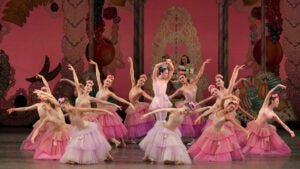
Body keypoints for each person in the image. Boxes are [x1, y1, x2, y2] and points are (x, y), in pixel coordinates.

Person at [139, 102, 210, 165]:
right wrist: (147, 114)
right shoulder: (175, 110)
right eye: (186, 110)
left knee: (174, 145)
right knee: (156, 144)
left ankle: (171, 159)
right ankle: (148, 156)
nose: (186, 112)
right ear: (183, 106)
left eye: (188, 111)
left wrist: (207, 107)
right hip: (164, 129)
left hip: (172, 132)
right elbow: (162, 110)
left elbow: (197, 111)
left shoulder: (185, 114)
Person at [189, 95, 249, 162]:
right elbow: (223, 99)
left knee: (220, 146)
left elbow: (237, 125)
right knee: (209, 144)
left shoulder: (228, 117)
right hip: (212, 130)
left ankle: (216, 157)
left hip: (221, 132)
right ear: (227, 105)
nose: (231, 109)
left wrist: (246, 132)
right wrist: (231, 96)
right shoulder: (220, 108)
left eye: (233, 109)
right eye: (231, 107)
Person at [90, 60, 134, 147]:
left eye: (109, 82)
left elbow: (119, 98)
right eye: (107, 81)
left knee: (115, 126)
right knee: (101, 128)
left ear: (110, 84)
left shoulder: (109, 93)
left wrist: (129, 103)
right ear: (104, 81)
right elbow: (98, 76)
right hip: (98, 111)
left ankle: (122, 142)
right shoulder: (100, 87)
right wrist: (95, 65)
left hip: (105, 111)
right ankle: (107, 142)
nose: (107, 83)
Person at [56, 97, 114, 164]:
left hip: (87, 129)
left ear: (68, 104)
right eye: (62, 108)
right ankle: (74, 159)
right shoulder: (69, 112)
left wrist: (107, 111)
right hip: (79, 130)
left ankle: (107, 155)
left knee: (96, 144)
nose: (64, 109)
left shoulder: (77, 109)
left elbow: (91, 109)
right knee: (75, 145)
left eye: (64, 107)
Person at [242, 84, 295, 155]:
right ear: (272, 101)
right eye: (277, 101)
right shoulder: (265, 106)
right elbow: (270, 92)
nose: (278, 103)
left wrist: (290, 131)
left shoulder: (273, 114)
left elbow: (282, 123)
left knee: (261, 148)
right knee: (249, 145)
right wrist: (278, 86)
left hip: (264, 130)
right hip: (255, 127)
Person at [7, 74, 52, 151]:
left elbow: (47, 86)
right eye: (42, 91)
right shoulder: (38, 105)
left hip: (49, 122)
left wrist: (42, 77)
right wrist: (14, 109)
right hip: (41, 122)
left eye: (45, 91)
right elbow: (25, 108)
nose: (43, 92)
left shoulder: (50, 102)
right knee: (38, 137)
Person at [168, 59, 211, 141]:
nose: (181, 79)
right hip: (187, 105)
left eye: (182, 77)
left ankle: (193, 139)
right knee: (187, 122)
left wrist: (204, 64)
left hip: (194, 105)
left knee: (195, 122)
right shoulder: (181, 89)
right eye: (180, 78)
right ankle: (183, 139)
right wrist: (160, 99)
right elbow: (171, 96)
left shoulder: (193, 84)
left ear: (186, 78)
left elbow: (200, 74)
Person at [30, 90, 71, 160]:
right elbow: (38, 128)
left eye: (44, 106)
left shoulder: (57, 108)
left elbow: (51, 97)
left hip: (65, 131)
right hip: (56, 132)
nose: (43, 108)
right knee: (57, 148)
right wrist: (33, 137)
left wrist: (41, 92)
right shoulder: (48, 117)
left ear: (49, 104)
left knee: (68, 145)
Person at [124, 57, 155, 143]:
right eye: (141, 80)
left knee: (137, 123)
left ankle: (136, 137)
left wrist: (155, 99)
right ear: (138, 80)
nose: (141, 82)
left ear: (143, 84)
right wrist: (131, 64)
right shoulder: (133, 84)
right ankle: (132, 138)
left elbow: (147, 96)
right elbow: (131, 73)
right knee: (131, 123)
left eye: (143, 82)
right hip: (132, 106)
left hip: (137, 106)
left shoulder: (141, 90)